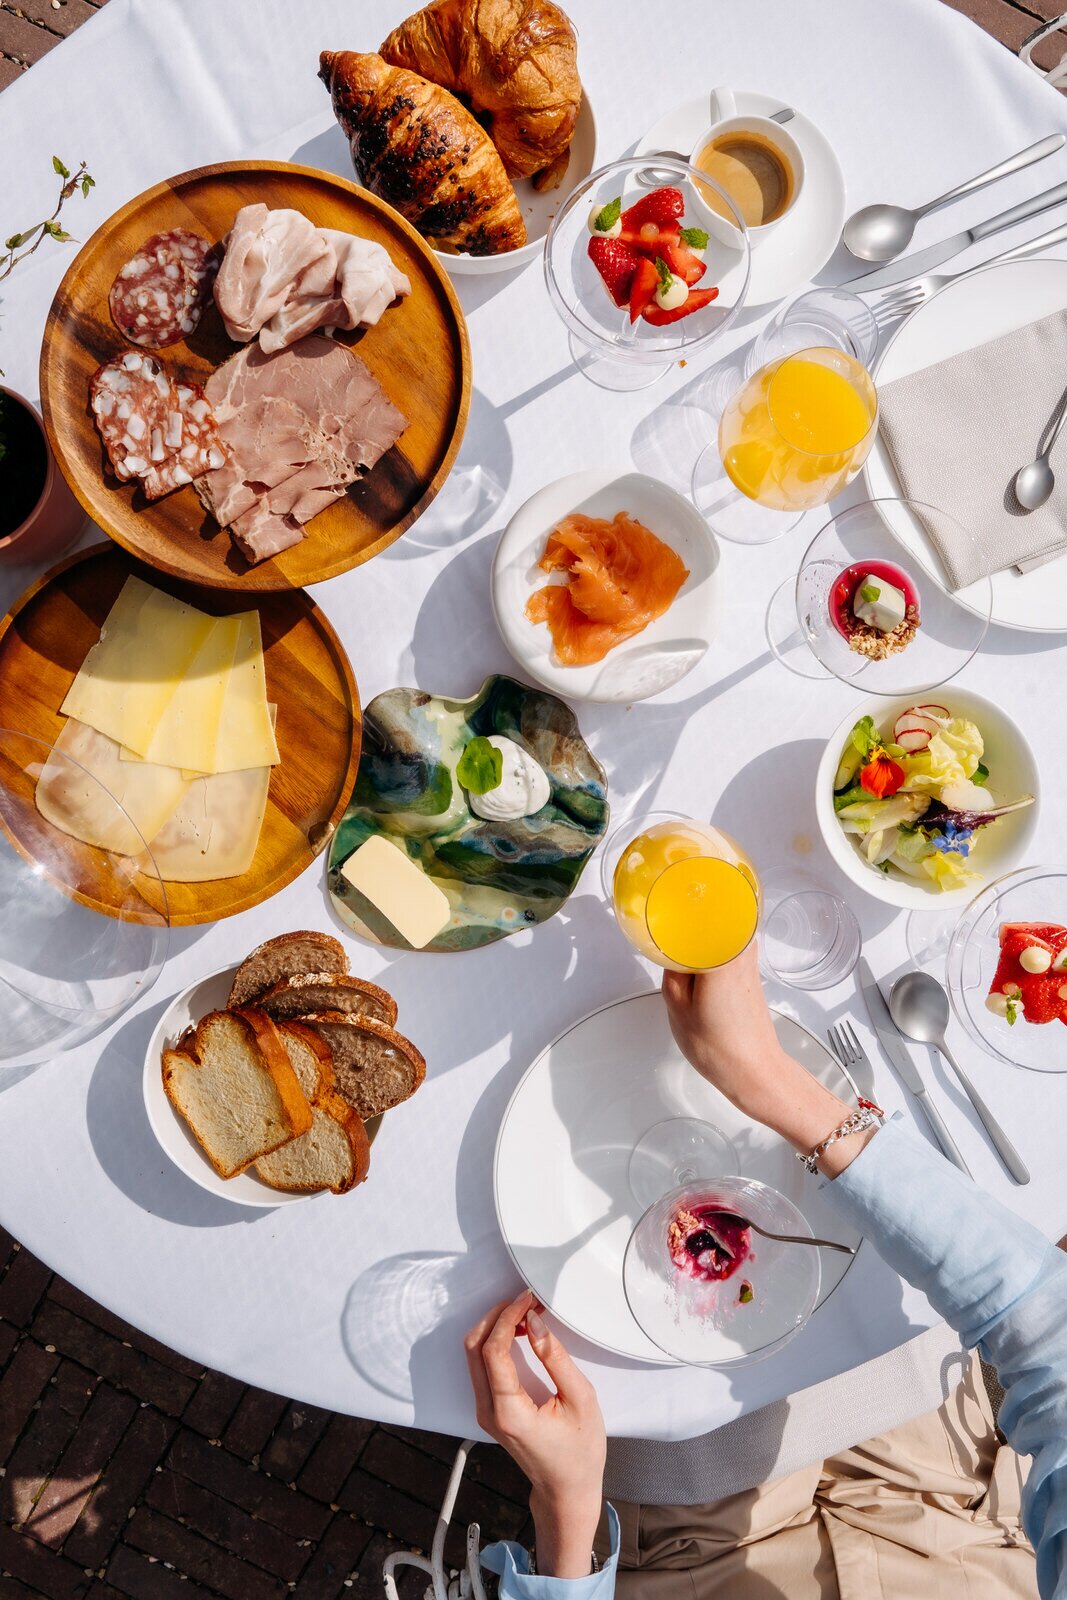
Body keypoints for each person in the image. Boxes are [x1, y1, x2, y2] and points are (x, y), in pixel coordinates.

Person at [465, 944, 1067, 1598]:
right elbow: (1047, 1337)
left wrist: (565, 1501)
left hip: (693, 1533)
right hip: (937, 1491)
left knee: (575, 1250)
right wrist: (766, 1078)